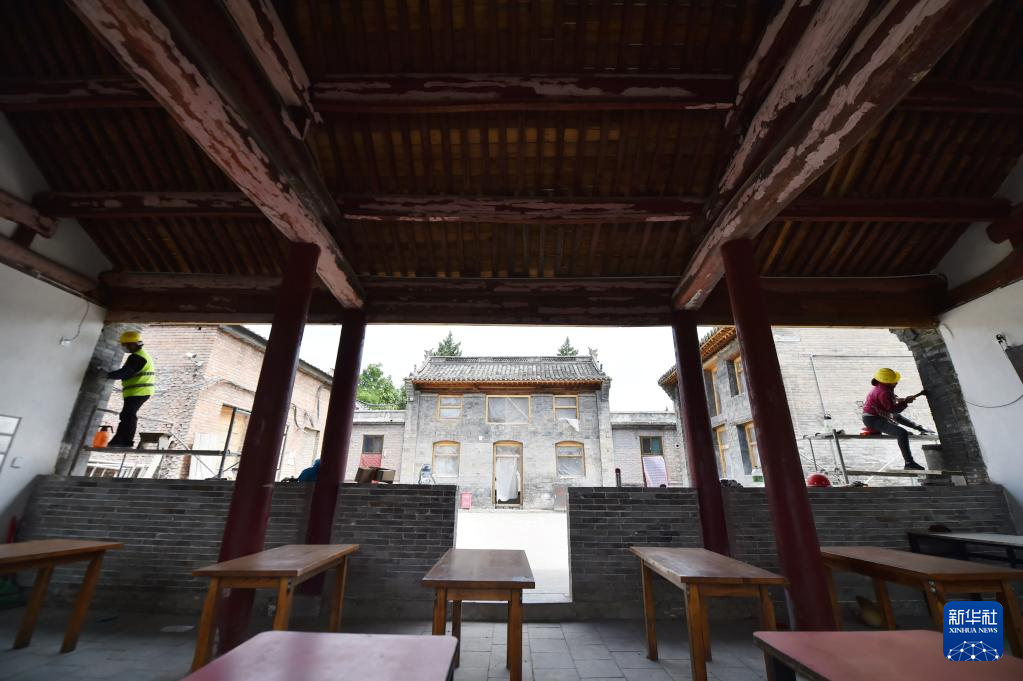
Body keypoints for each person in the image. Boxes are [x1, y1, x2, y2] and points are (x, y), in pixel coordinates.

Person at [862, 368, 927, 470]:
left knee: (896, 417)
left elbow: (890, 397)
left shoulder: (883, 386)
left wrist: (897, 399)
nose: (896, 382)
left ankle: (919, 428)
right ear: (885, 381)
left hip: (879, 415)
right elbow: (893, 410)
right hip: (872, 420)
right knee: (902, 433)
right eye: (893, 381)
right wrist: (905, 402)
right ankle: (909, 463)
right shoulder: (883, 392)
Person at [105, 330, 156, 448]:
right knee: (126, 415)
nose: (124, 347)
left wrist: (107, 375)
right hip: (138, 392)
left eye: (125, 345)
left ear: (132, 344)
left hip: (139, 392)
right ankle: (118, 440)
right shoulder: (141, 355)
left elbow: (126, 372)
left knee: (128, 415)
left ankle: (125, 441)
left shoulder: (137, 357)